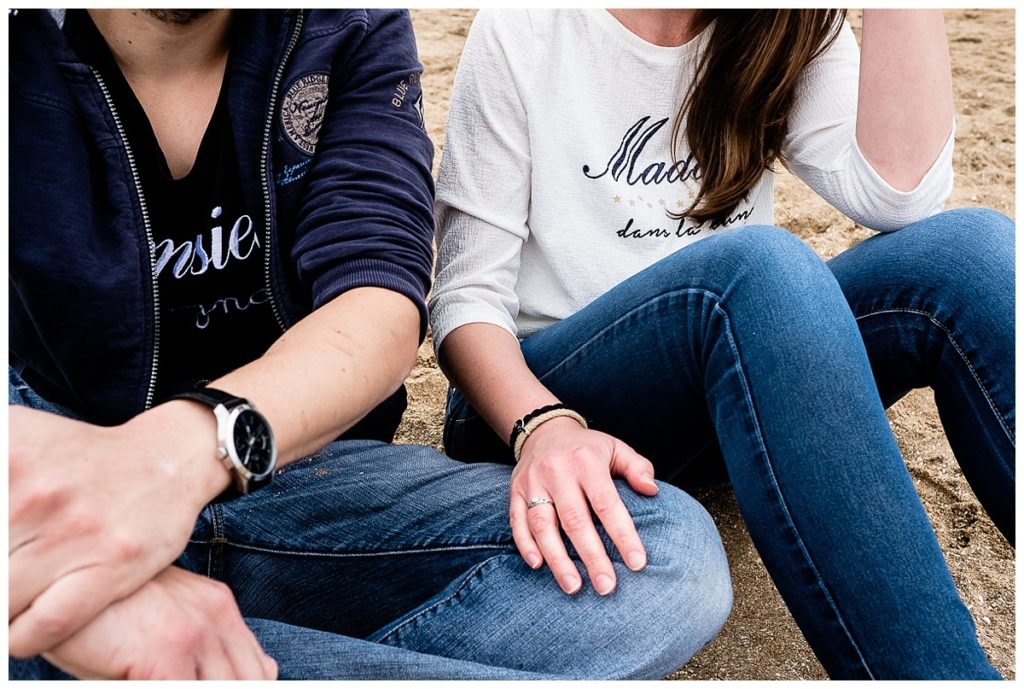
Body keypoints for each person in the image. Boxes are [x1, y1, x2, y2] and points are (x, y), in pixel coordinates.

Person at [7, 9, 733, 680]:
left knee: (664, 551)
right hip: (49, 475)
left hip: (303, 474)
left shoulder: (347, 24)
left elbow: (380, 298)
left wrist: (184, 453)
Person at [430, 8, 1014, 680]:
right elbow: (465, 298)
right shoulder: (526, 27)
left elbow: (900, 198)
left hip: (733, 385)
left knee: (970, 253)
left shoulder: (781, 24)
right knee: (762, 270)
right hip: (542, 403)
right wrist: (541, 425)